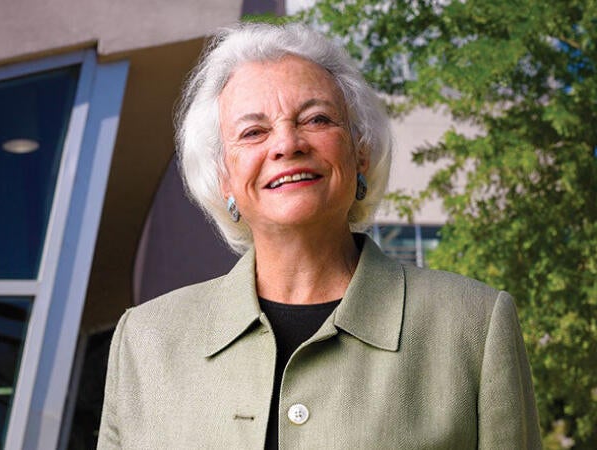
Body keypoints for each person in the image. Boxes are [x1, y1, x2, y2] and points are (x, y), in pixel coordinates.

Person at [97, 22, 541, 449]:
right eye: (254, 131)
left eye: (316, 119)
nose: (287, 144)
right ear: (224, 180)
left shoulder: (474, 326)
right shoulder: (145, 340)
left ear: (361, 153)